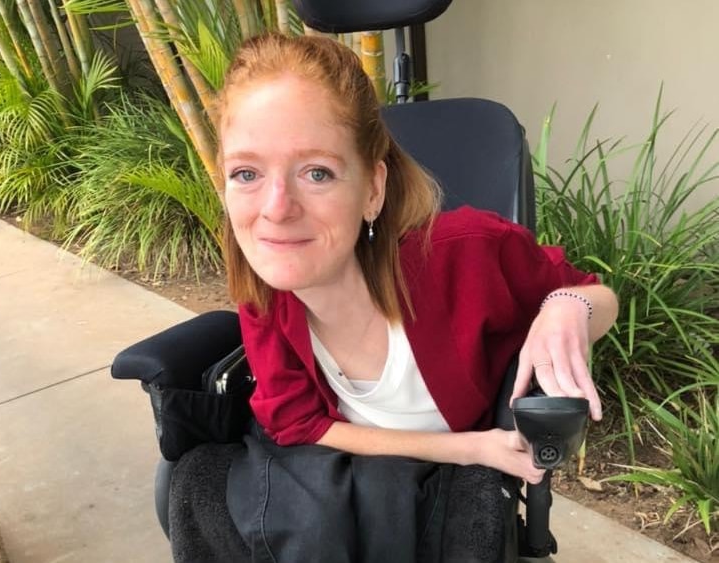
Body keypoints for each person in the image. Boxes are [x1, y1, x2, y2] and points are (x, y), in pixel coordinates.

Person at [171, 32, 618, 562]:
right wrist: (467, 448)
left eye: (316, 172)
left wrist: (566, 307)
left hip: (439, 500)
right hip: (351, 485)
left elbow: (596, 293)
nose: (276, 208)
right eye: (246, 173)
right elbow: (300, 425)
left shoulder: (467, 252)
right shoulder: (267, 292)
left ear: (373, 190)